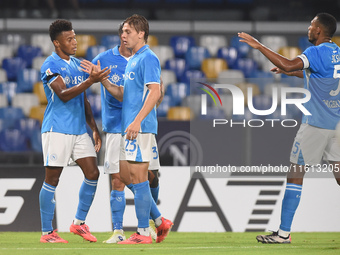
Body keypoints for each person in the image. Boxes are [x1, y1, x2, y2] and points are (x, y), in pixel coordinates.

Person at [238, 12, 340, 244]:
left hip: (315, 125)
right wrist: (291, 72)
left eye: (311, 25)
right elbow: (321, 77)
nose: (309, 28)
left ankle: (283, 234)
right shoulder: (337, 52)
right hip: (336, 125)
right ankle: (283, 233)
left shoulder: (315, 51)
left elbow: (288, 62)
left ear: (319, 31)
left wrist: (259, 46)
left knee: (295, 174)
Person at [87, 14, 173, 244]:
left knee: (137, 177)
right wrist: (103, 81)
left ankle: (144, 232)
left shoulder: (148, 58)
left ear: (141, 33)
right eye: (122, 32)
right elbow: (125, 94)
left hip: (139, 128)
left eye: (127, 31)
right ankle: (157, 222)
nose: (123, 35)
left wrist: (136, 121)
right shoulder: (134, 59)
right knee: (125, 176)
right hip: (128, 128)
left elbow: (155, 92)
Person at [39, 19, 110, 243]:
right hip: (57, 128)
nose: (75, 42)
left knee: (93, 173)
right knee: (52, 179)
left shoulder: (78, 64)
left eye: (75, 37)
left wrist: (94, 129)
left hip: (80, 130)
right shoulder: (50, 66)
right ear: (57, 43)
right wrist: (91, 80)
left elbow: (84, 100)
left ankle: (78, 224)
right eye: (69, 39)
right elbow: (64, 94)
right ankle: (47, 232)